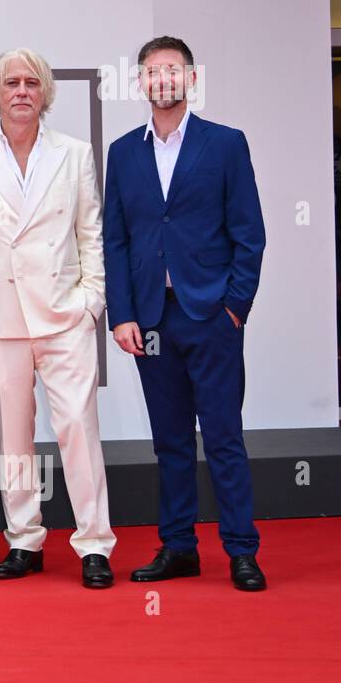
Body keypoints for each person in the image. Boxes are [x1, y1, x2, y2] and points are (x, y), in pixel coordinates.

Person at [0, 48, 116, 589]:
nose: (21, 91)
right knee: (11, 438)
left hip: (64, 315)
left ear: (45, 93)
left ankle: (94, 543)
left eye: (31, 83)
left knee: (78, 431)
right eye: (11, 83)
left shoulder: (75, 154)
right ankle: (24, 539)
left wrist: (91, 301)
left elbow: (92, 233)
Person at [104, 36, 267, 591]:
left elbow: (250, 234)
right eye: (152, 71)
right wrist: (122, 314)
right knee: (169, 440)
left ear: (191, 79)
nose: (163, 79)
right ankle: (178, 547)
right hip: (150, 318)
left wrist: (235, 309)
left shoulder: (224, 145)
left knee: (223, 435)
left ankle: (242, 550)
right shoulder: (124, 151)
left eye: (172, 70)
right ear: (141, 82)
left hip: (211, 315)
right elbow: (116, 240)